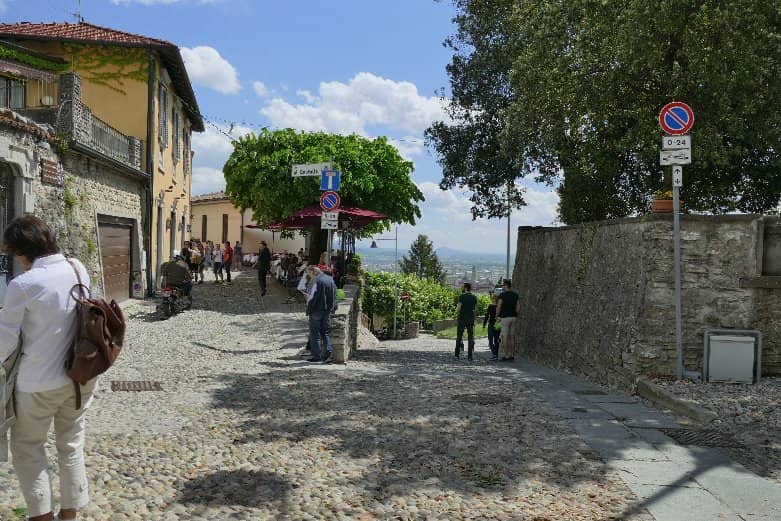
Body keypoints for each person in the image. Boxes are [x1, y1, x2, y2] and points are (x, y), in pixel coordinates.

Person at [0, 215, 93, 521]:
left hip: (37, 383)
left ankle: (41, 517)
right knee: (71, 444)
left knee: (28, 447)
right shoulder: (77, 267)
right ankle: (69, 515)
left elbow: (5, 340)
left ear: (21, 251)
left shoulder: (23, 285)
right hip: (80, 376)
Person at [305, 265, 337, 363]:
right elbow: (334, 294)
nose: (310, 276)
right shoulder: (330, 279)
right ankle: (328, 354)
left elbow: (311, 297)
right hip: (327, 310)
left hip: (316, 310)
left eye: (309, 274)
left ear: (313, 272)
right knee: (324, 332)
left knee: (314, 333)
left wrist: (308, 305)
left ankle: (317, 356)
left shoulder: (316, 281)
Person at [496, 279, 520, 362]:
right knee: (512, 337)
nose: (502, 287)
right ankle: (512, 355)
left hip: (505, 318)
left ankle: (506, 355)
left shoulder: (502, 295)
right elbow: (518, 307)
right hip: (514, 318)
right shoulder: (515, 295)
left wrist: (497, 315)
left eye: (503, 285)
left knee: (505, 336)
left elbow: (499, 306)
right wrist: (516, 314)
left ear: (506, 285)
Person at [455, 282, 478, 361]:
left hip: (462, 318)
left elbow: (458, 308)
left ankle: (457, 354)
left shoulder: (462, 296)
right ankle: (470, 355)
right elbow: (475, 310)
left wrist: (457, 313)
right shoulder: (474, 297)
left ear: (465, 288)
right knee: (470, 337)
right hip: (470, 319)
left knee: (459, 336)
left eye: (463, 287)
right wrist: (474, 318)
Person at [483, 294, 499, 361]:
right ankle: (495, 354)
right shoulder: (497, 306)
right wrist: (484, 324)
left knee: (492, 340)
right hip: (496, 324)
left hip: (493, 324)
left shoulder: (492, 306)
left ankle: (494, 354)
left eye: (493, 298)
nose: (492, 299)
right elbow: (487, 315)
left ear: (494, 299)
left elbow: (487, 315)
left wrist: (484, 324)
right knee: (494, 340)